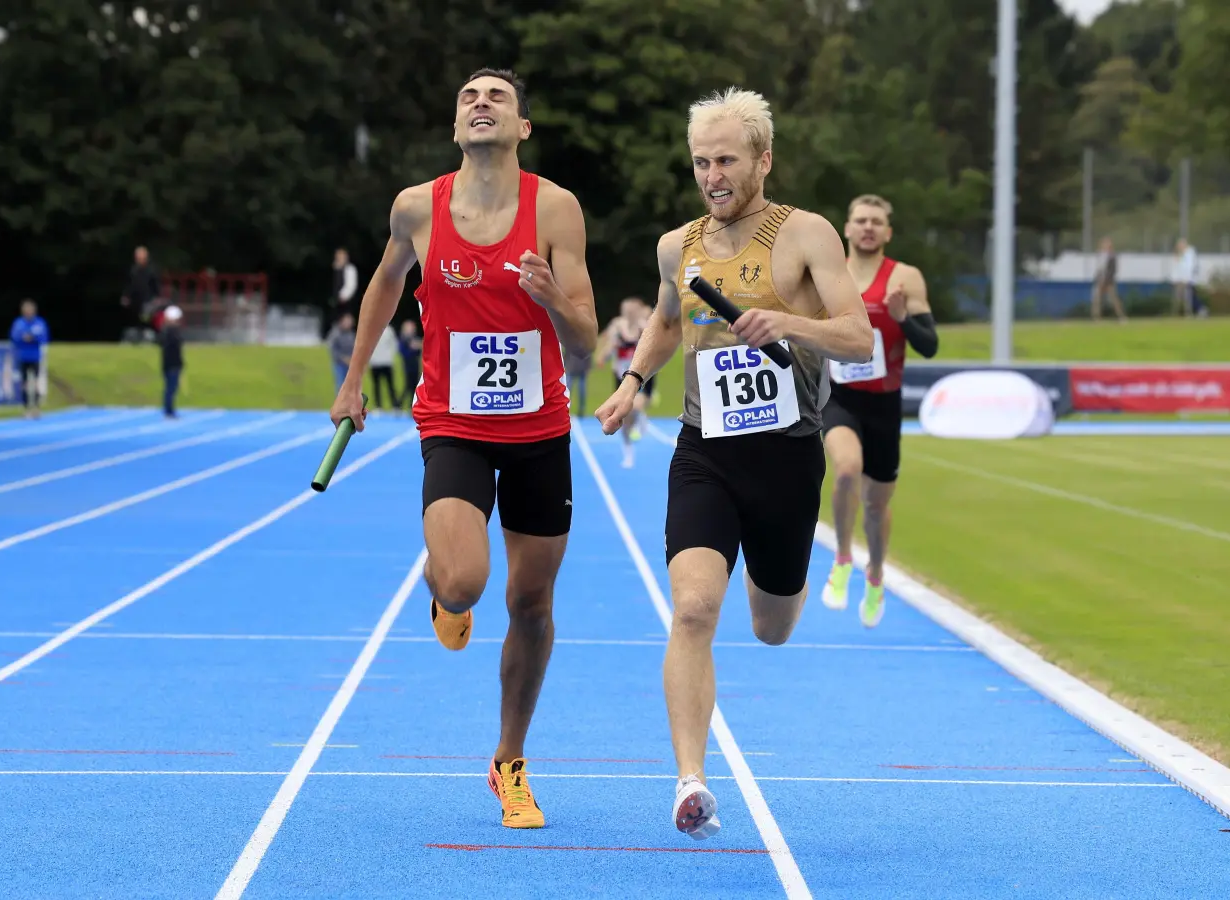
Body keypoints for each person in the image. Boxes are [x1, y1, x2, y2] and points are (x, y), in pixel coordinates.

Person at [595, 86, 872, 841]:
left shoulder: (805, 234)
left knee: (771, 625)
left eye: (726, 159)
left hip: (785, 458)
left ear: (763, 160)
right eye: (701, 162)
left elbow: (859, 338)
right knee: (691, 608)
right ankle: (690, 781)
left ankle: (781, 581)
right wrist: (630, 382)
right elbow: (663, 319)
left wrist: (783, 321)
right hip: (703, 453)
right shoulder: (675, 246)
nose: (712, 174)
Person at [329, 68, 597, 830]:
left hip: (540, 427)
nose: (481, 105)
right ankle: (443, 580)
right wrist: (354, 382)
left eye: (498, 99)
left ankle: (509, 762)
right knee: (469, 583)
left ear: (523, 127)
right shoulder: (417, 207)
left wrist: (553, 300)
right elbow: (384, 286)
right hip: (453, 421)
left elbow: (586, 335)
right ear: (455, 129)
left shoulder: (555, 208)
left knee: (531, 602)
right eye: (468, 99)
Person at [817, 195, 939, 627]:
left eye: (877, 222)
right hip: (840, 399)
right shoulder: (830, 276)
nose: (868, 227)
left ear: (887, 232)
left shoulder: (905, 278)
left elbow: (929, 346)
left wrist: (903, 317)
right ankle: (843, 560)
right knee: (847, 469)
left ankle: (875, 574)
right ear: (847, 229)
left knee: (875, 506)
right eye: (861, 220)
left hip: (885, 405)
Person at [593, 296, 656, 466]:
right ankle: (628, 452)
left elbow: (656, 343)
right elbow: (610, 344)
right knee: (624, 418)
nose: (629, 313)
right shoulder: (617, 326)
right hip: (621, 375)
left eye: (632, 311)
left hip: (642, 374)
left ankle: (641, 420)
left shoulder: (644, 327)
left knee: (637, 405)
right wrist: (603, 357)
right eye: (626, 310)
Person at [9, 299, 50, 418]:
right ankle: (26, 408)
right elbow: (14, 337)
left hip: (35, 356)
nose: (28, 312)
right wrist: (24, 338)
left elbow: (44, 337)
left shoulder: (39, 323)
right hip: (22, 356)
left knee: (36, 382)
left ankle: (37, 408)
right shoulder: (19, 323)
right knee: (24, 384)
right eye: (26, 310)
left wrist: (32, 338)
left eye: (30, 310)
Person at [368, 320, 404, 411]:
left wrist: (390, 357)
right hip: (375, 363)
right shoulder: (372, 330)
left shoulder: (389, 330)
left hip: (387, 362)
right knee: (376, 385)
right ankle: (378, 406)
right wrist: (371, 358)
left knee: (390, 385)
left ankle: (395, 405)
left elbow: (394, 345)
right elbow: (368, 345)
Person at [1091, 236, 1125, 322]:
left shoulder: (1112, 256)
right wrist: (1098, 278)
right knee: (1097, 299)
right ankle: (1096, 318)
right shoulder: (1099, 255)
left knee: (1114, 299)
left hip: (1109, 281)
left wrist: (1107, 280)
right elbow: (1099, 268)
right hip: (1100, 279)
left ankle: (1121, 316)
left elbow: (1113, 270)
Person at [159, 305, 185, 417]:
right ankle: (169, 410)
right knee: (171, 388)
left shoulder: (165, 331)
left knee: (170, 388)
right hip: (172, 364)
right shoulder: (172, 332)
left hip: (168, 363)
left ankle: (169, 409)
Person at [328, 312, 356, 396]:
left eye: (350, 321)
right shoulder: (336, 333)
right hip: (339, 364)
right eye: (347, 321)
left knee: (351, 387)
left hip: (350, 364)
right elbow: (333, 349)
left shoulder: (352, 334)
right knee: (340, 385)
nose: (348, 323)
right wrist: (343, 358)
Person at [398, 319, 423, 408]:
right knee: (408, 385)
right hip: (408, 365)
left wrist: (416, 347)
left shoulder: (414, 338)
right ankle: (399, 403)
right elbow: (403, 351)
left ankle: (410, 404)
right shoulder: (404, 338)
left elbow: (419, 348)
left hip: (415, 365)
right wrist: (413, 348)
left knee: (413, 386)